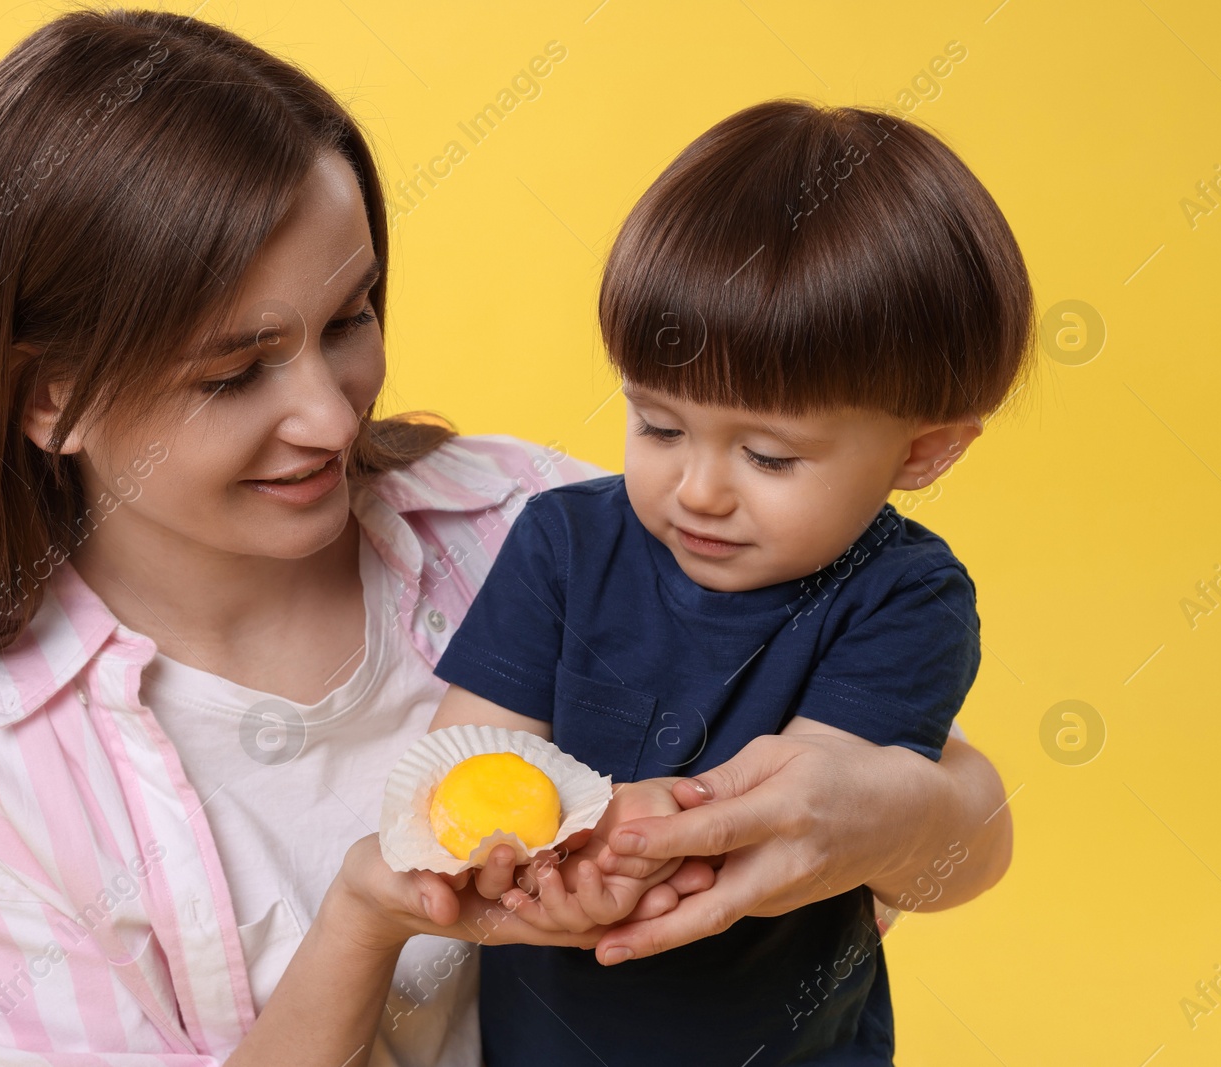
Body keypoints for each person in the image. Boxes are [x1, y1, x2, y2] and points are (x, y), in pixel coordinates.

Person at [0, 10, 1014, 1065]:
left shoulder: (534, 520)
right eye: (235, 372)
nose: (335, 416)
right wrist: (365, 918)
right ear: (45, 398)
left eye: (350, 318)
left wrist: (896, 820)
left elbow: (934, 824)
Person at [426, 99, 1033, 1064]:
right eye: (658, 426)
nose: (697, 490)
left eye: (769, 456)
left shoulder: (905, 596)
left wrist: (630, 839)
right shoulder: (563, 541)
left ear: (921, 450)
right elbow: (468, 762)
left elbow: (803, 809)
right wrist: (537, 853)